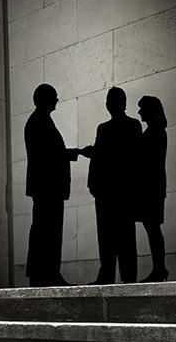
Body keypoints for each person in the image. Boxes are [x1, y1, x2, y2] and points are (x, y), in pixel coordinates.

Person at [25, 84, 83, 287]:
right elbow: (50, 155)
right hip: (47, 187)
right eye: (54, 97)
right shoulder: (39, 121)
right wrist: (77, 152)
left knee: (45, 230)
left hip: (46, 187)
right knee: (47, 231)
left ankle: (45, 273)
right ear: (45, 99)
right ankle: (46, 274)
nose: (57, 100)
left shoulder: (40, 121)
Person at [83, 87, 142, 285]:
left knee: (110, 237)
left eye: (109, 100)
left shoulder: (107, 128)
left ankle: (110, 276)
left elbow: (101, 157)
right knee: (123, 238)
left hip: (111, 192)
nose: (107, 103)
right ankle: (125, 278)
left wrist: (93, 184)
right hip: (119, 191)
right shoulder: (131, 126)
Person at [137, 95, 168, 282]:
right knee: (152, 229)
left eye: (142, 108)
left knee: (153, 229)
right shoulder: (155, 131)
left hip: (151, 188)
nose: (139, 111)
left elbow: (146, 162)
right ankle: (159, 268)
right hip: (153, 187)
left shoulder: (154, 132)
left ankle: (159, 268)